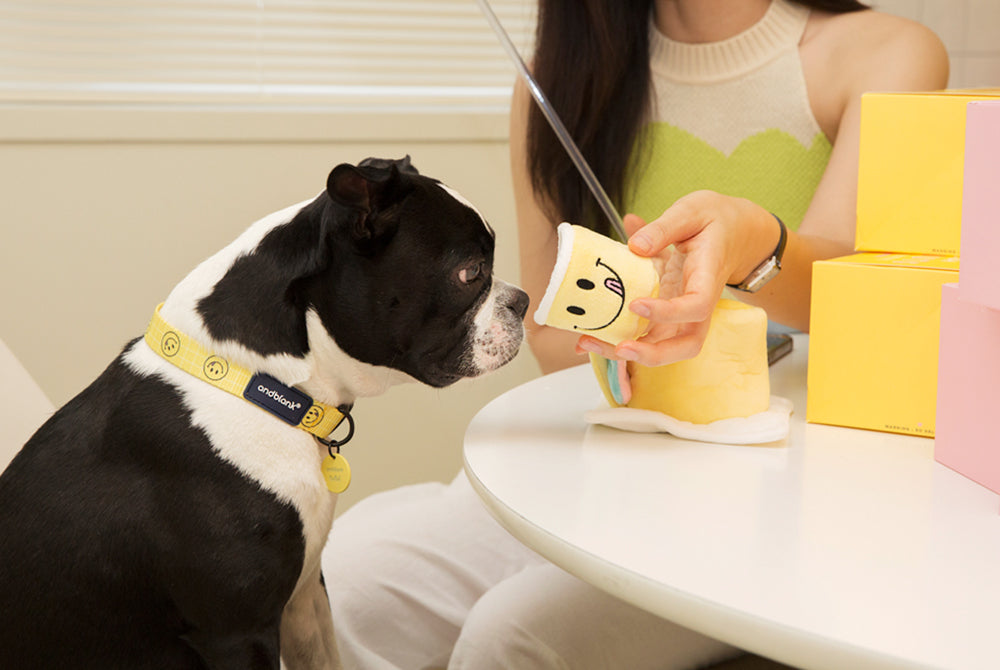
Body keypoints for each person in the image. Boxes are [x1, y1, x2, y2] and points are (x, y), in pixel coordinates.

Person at [323, 1, 948, 668]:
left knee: (511, 637)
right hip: (602, 460)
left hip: (773, 500)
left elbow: (858, 301)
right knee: (352, 583)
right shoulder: (555, 83)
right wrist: (653, 316)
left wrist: (752, 241)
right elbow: (551, 339)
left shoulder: (887, 55)